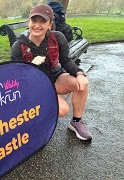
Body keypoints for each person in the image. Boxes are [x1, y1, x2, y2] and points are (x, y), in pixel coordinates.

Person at [10, 4, 92, 141]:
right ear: (28, 22)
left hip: (55, 77)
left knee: (81, 84)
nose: (37, 25)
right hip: (34, 85)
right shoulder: (19, 46)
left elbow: (66, 60)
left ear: (50, 24)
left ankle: (76, 122)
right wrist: (31, 66)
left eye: (43, 21)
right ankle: (33, 121)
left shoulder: (57, 38)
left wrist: (79, 74)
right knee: (62, 109)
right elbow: (15, 77)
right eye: (34, 20)